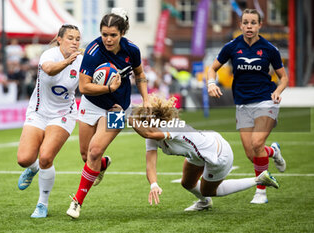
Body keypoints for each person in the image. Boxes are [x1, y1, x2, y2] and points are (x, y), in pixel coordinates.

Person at [128, 94, 279, 211]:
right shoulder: (151, 135)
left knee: (209, 190)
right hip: (200, 152)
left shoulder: (171, 126)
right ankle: (204, 202)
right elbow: (150, 164)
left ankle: (259, 179)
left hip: (217, 154)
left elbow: (148, 134)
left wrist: (129, 118)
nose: (143, 122)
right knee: (187, 183)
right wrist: (153, 184)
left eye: (145, 119)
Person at [66, 8, 150, 219]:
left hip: (118, 108)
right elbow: (84, 88)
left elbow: (140, 74)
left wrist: (146, 99)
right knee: (86, 156)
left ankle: (77, 202)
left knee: (94, 150)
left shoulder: (132, 50)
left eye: (113, 35)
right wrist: (109, 88)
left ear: (122, 33)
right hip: (91, 103)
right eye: (104, 34)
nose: (108, 39)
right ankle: (103, 164)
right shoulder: (93, 51)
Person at [207, 9, 288, 204]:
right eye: (246, 22)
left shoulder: (269, 49)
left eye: (253, 22)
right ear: (241, 25)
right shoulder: (232, 47)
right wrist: (211, 83)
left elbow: (283, 77)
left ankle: (261, 192)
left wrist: (278, 91)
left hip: (265, 100)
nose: (249, 26)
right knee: (252, 155)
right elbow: (212, 68)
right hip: (242, 104)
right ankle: (273, 152)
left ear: (260, 25)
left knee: (257, 143)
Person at [16, 24, 83, 218]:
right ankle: (33, 168)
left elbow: (90, 81)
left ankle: (42, 204)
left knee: (46, 157)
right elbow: (49, 69)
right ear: (59, 39)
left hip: (64, 114)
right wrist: (68, 61)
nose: (74, 42)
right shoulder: (49, 55)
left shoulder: (81, 61)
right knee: (24, 159)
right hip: (38, 112)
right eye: (70, 38)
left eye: (77, 39)